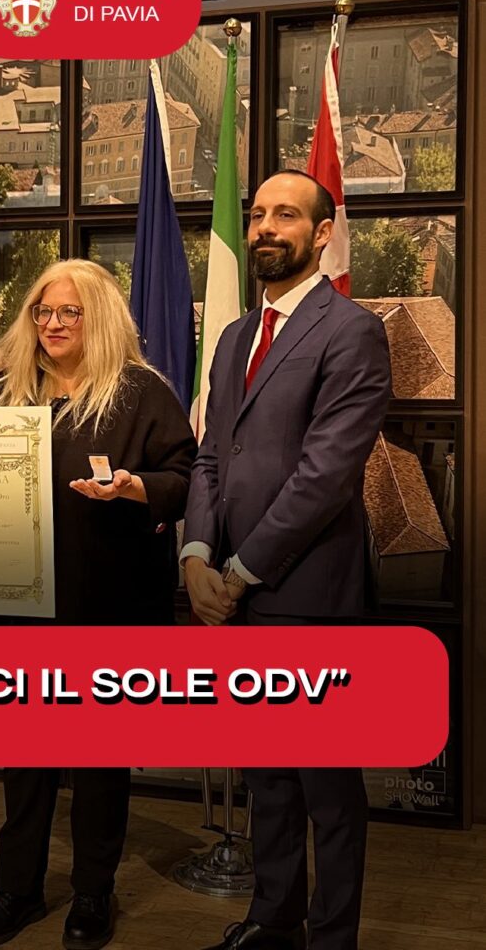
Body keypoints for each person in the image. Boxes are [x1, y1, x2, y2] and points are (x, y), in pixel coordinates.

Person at [0, 259, 197, 949]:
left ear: (101, 319)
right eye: (43, 311)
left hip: (112, 604)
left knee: (100, 764)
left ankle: (93, 893)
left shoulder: (140, 392)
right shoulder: (3, 393)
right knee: (25, 762)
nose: (53, 323)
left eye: (70, 311)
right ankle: (17, 890)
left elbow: (186, 477)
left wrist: (134, 487)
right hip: (23, 606)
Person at [182, 170, 392, 950]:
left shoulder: (351, 331)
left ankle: (331, 939)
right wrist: (195, 555)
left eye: (286, 215)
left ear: (322, 232)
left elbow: (324, 476)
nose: (266, 227)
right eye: (258, 215)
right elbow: (212, 456)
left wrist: (237, 574)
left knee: (326, 790)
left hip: (307, 597)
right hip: (227, 590)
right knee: (265, 776)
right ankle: (273, 922)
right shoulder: (235, 335)